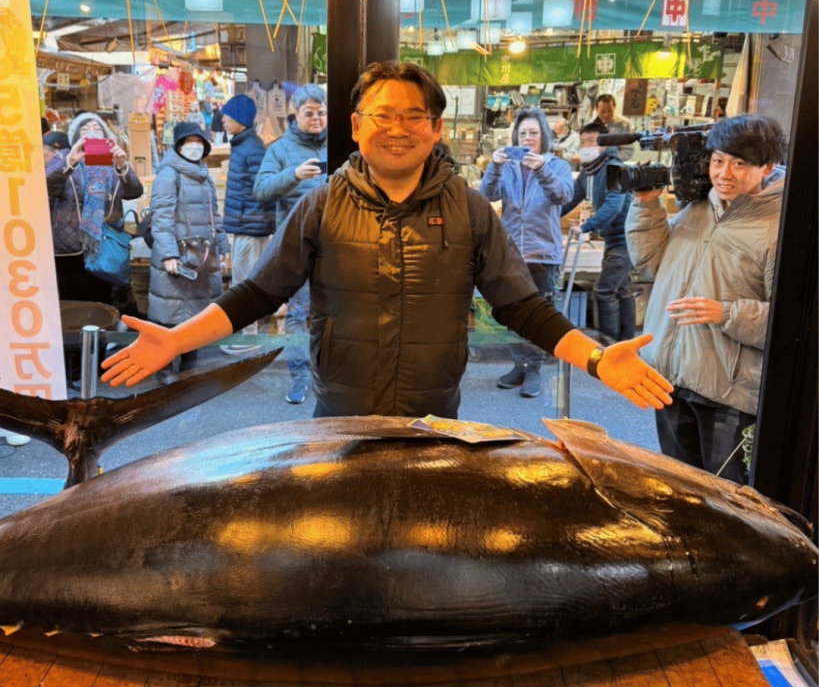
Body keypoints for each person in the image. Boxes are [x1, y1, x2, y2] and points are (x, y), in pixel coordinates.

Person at [102, 61, 673, 419]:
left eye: (413, 116)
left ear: (436, 129)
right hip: (340, 413)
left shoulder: (469, 208)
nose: (397, 129)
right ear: (355, 126)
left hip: (435, 415)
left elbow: (522, 306)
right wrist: (179, 339)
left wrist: (595, 358)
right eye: (382, 116)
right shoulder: (319, 204)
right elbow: (256, 294)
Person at [625, 114, 785, 483]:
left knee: (728, 502)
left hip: (729, 394)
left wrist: (726, 313)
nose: (724, 174)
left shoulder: (779, 227)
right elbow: (652, 265)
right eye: (717, 161)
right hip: (670, 378)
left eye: (739, 164)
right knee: (683, 490)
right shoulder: (698, 209)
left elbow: (793, 323)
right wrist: (647, 205)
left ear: (767, 167)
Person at [479, 106, 573, 398]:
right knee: (508, 313)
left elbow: (563, 196)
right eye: (523, 133)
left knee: (541, 316)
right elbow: (485, 197)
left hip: (543, 254)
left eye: (533, 133)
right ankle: (518, 363)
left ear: (543, 137)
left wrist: (541, 169)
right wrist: (493, 165)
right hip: (511, 253)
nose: (528, 138)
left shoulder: (557, 166)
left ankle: (534, 368)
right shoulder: (506, 167)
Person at [46, 114, 143, 386]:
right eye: (85, 128)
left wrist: (123, 166)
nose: (91, 132)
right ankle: (72, 368)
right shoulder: (64, 156)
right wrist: (70, 162)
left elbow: (134, 191)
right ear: (76, 134)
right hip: (70, 250)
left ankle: (97, 363)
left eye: (96, 128)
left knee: (101, 306)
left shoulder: (106, 159)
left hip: (102, 245)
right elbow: (46, 185)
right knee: (73, 308)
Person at [253, 85, 328, 404]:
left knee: (333, 312)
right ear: (295, 114)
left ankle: (328, 374)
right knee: (297, 314)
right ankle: (299, 375)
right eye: (309, 113)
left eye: (322, 113)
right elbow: (261, 189)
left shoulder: (338, 145)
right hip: (296, 246)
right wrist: (293, 175)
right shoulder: (280, 149)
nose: (317, 119)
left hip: (336, 246)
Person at [146, 122, 229, 383]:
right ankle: (164, 367)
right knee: (170, 315)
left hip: (201, 257)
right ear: (179, 145)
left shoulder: (204, 175)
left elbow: (215, 216)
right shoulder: (169, 174)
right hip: (178, 257)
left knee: (195, 314)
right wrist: (168, 254)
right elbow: (161, 219)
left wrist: (223, 247)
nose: (193, 146)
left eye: (198, 141)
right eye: (187, 141)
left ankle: (189, 365)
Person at [562, 123, 636, 343]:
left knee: (604, 291)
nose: (587, 146)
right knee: (622, 290)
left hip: (626, 239)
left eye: (592, 141)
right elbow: (571, 199)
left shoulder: (615, 168)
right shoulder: (589, 171)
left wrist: (585, 227)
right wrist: (546, 214)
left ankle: (609, 344)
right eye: (583, 141)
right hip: (613, 239)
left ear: (605, 143)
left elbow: (613, 206)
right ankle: (626, 343)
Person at [220, 92, 276, 344]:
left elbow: (260, 190)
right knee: (244, 282)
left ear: (240, 119)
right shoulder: (243, 145)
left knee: (245, 284)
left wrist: (252, 222)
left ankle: (249, 339)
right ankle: (247, 335)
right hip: (247, 226)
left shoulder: (250, 148)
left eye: (227, 115)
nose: (222, 120)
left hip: (250, 228)